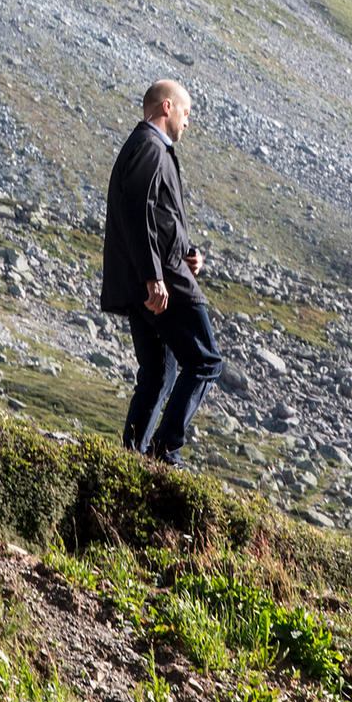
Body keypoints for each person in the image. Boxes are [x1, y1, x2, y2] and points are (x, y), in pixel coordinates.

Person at [99, 78, 223, 464]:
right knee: (205, 360)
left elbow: (159, 215)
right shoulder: (150, 147)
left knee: (159, 372)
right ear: (166, 107)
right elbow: (137, 213)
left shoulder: (145, 148)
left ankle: (132, 457)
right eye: (186, 113)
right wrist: (155, 275)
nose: (187, 123)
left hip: (149, 279)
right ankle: (164, 449)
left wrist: (188, 250)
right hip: (160, 283)